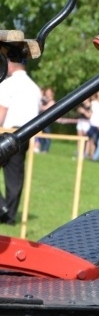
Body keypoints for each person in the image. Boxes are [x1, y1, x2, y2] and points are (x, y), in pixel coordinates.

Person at [0, 60, 41, 225]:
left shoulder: (8, 84)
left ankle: (2, 209)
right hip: (25, 135)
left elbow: (2, 110)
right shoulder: (35, 88)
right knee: (15, 177)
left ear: (10, 65)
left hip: (6, 133)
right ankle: (9, 215)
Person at [36, 87, 56, 153]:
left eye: (49, 92)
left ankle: (45, 149)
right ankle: (41, 148)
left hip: (48, 120)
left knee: (47, 135)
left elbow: (46, 108)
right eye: (46, 92)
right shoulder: (44, 100)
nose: (47, 93)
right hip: (42, 120)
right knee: (41, 134)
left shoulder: (52, 101)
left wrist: (41, 107)